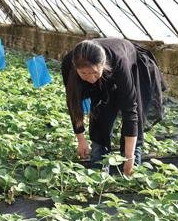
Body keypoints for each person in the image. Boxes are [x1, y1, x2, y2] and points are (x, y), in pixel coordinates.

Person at [61, 38, 167, 175]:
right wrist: (81, 140)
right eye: (84, 74)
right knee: (100, 121)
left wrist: (129, 157)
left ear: (103, 64)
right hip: (106, 74)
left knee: (136, 119)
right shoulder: (69, 65)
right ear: (76, 68)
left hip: (134, 69)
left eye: (95, 73)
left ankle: (132, 175)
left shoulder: (119, 61)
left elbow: (131, 110)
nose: (91, 78)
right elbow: (74, 103)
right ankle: (98, 174)